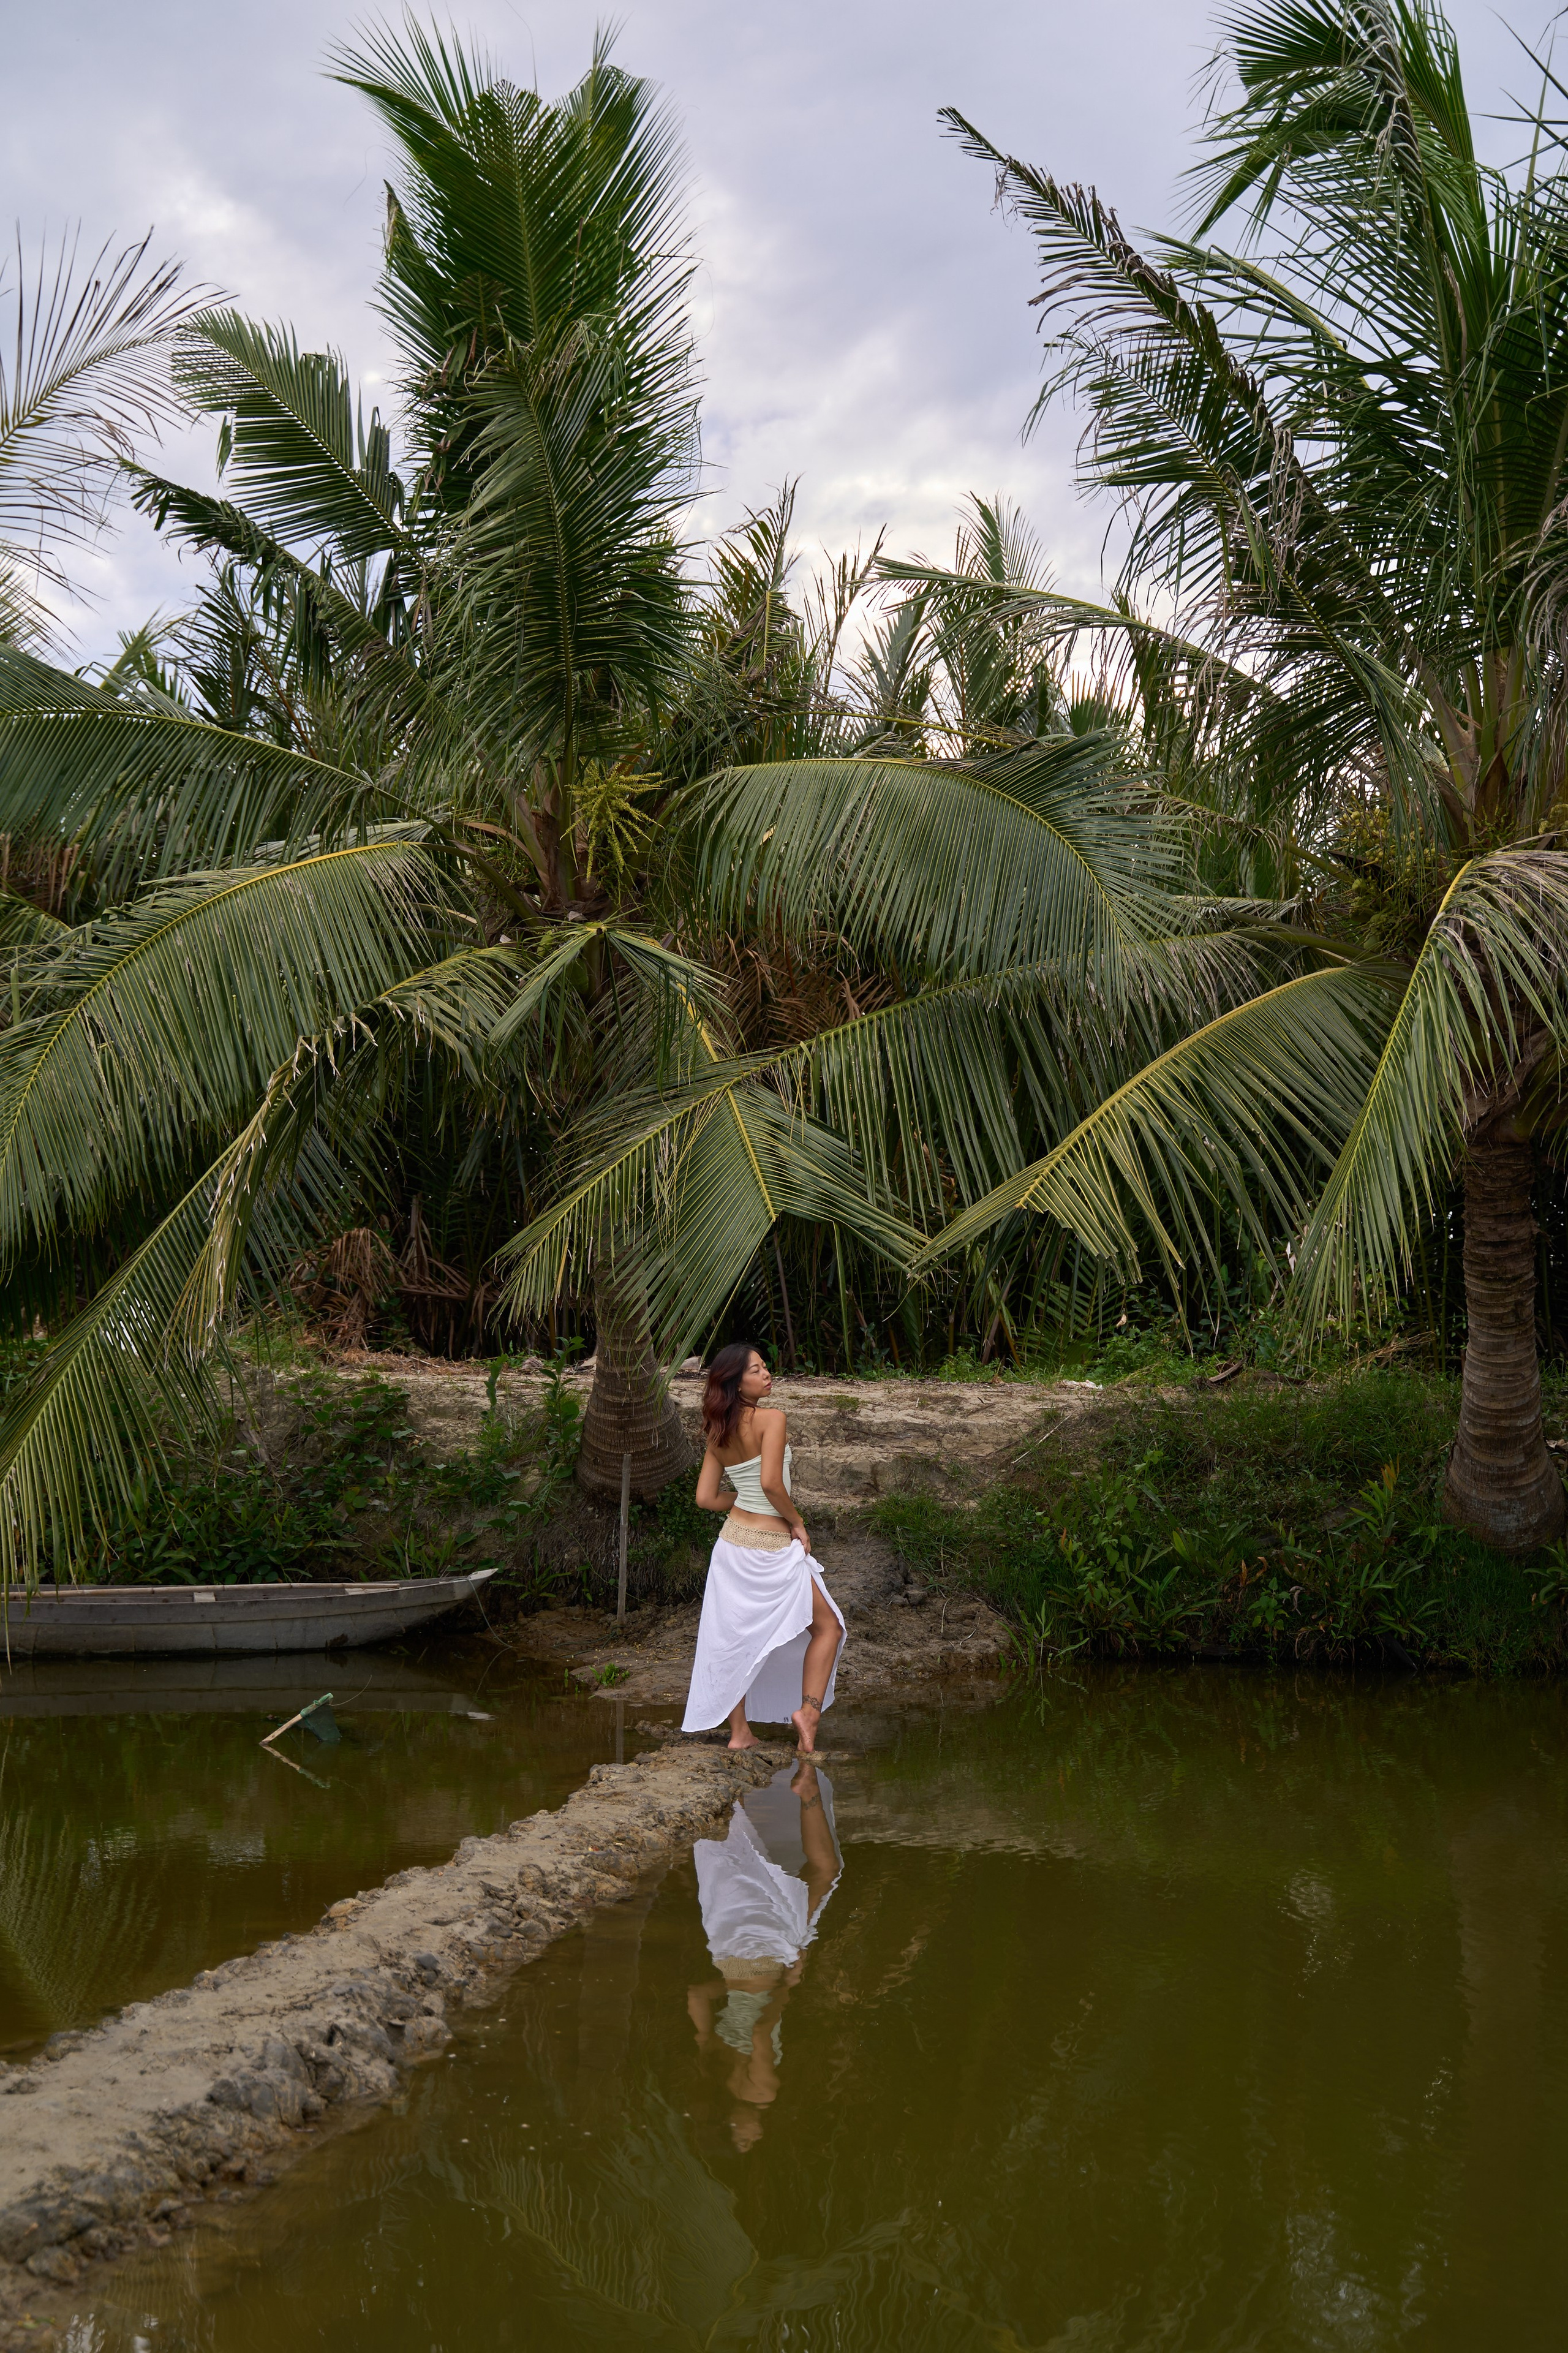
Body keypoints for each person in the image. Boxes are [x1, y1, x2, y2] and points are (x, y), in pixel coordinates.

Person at [683, 1342, 845, 1753]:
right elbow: (772, 1483)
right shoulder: (772, 1419)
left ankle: (740, 1734)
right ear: (737, 1383)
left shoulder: (718, 1431)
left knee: (732, 1639)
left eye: (765, 1367)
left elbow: (705, 1498)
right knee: (828, 1627)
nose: (767, 1373)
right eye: (756, 1370)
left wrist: (740, 1502)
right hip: (772, 1546)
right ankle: (808, 1712)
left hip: (733, 1545)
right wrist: (797, 1522)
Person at [686, 1756, 842, 2150]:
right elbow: (697, 1994)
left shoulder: (761, 2094)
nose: (753, 2136)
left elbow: (760, 2031)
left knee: (824, 1873)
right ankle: (732, 1797)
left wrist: (790, 1981)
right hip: (728, 1953)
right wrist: (734, 1989)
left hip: (771, 1960)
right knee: (747, 1874)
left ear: (731, 2126)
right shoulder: (712, 2063)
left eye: (744, 2138)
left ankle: (808, 1794)